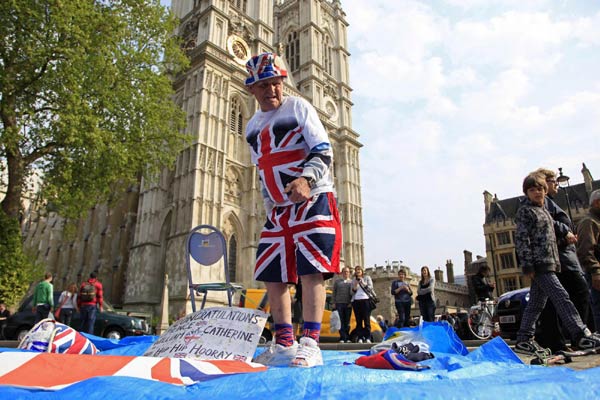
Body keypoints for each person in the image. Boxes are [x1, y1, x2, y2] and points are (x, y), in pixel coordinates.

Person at [244, 52, 342, 368]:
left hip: (312, 198)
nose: (272, 90)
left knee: (311, 269)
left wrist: (306, 178)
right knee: (273, 273)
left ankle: (311, 342)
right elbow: (262, 169)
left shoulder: (299, 107)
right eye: (264, 85)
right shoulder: (252, 127)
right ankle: (284, 342)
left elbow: (322, 149)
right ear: (252, 90)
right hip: (279, 208)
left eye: (276, 83)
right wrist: (269, 204)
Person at [513, 172, 600, 356]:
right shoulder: (525, 211)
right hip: (539, 264)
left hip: (551, 262)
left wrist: (566, 233)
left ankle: (524, 338)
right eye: (532, 189)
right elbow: (521, 239)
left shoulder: (544, 210)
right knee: (561, 297)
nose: (537, 192)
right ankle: (580, 333)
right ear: (526, 192)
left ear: (545, 191)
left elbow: (554, 229)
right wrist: (527, 265)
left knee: (536, 303)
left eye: (540, 189)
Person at [533, 168, 591, 352]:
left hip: (559, 258)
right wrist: (565, 233)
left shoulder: (550, 202)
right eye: (553, 181)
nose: (556, 184)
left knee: (550, 301)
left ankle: (557, 342)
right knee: (578, 294)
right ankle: (577, 338)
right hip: (557, 259)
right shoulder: (540, 203)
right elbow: (544, 223)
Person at [576, 189, 600, 331]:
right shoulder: (588, 222)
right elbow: (586, 250)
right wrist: (595, 271)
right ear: (597, 203)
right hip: (596, 272)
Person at [351, 266, 374, 343]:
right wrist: (355, 285)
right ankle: (360, 337)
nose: (358, 271)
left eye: (359, 270)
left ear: (362, 271)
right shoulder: (353, 280)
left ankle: (368, 337)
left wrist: (363, 283)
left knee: (367, 320)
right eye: (356, 270)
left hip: (366, 301)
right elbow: (351, 292)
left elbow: (370, 288)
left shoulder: (367, 278)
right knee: (358, 321)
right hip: (356, 301)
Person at [332, 267, 353, 343]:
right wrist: (334, 302)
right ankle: (342, 337)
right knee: (340, 322)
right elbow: (334, 292)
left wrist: (351, 303)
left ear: (349, 273)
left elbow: (353, 294)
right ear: (342, 273)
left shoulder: (351, 282)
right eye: (344, 272)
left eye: (347, 272)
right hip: (339, 303)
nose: (346, 273)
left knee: (347, 322)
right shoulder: (337, 282)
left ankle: (347, 337)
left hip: (348, 304)